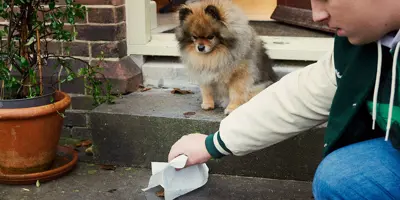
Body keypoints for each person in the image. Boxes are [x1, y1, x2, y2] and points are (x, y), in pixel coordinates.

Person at [168, 0, 400, 199]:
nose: (317, 15)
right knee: (340, 178)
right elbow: (305, 93)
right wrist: (213, 143)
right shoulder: (363, 45)